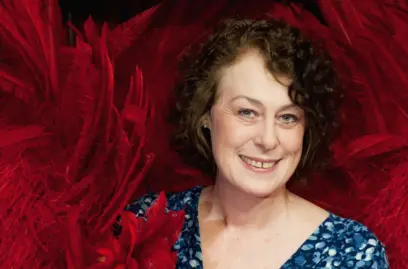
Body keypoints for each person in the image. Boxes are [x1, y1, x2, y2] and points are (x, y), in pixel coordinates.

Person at [126, 18, 389, 269]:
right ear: (204, 113)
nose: (267, 140)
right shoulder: (143, 225)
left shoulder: (352, 254)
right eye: (247, 112)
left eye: (287, 117)